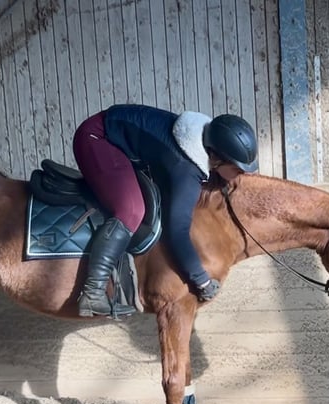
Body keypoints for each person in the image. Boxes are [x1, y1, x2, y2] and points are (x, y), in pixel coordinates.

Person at [72, 103, 258, 318]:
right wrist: (201, 279)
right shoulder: (185, 169)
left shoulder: (205, 139)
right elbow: (176, 231)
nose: (241, 175)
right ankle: (93, 293)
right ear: (216, 158)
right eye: (237, 169)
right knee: (131, 210)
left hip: (116, 132)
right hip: (95, 138)